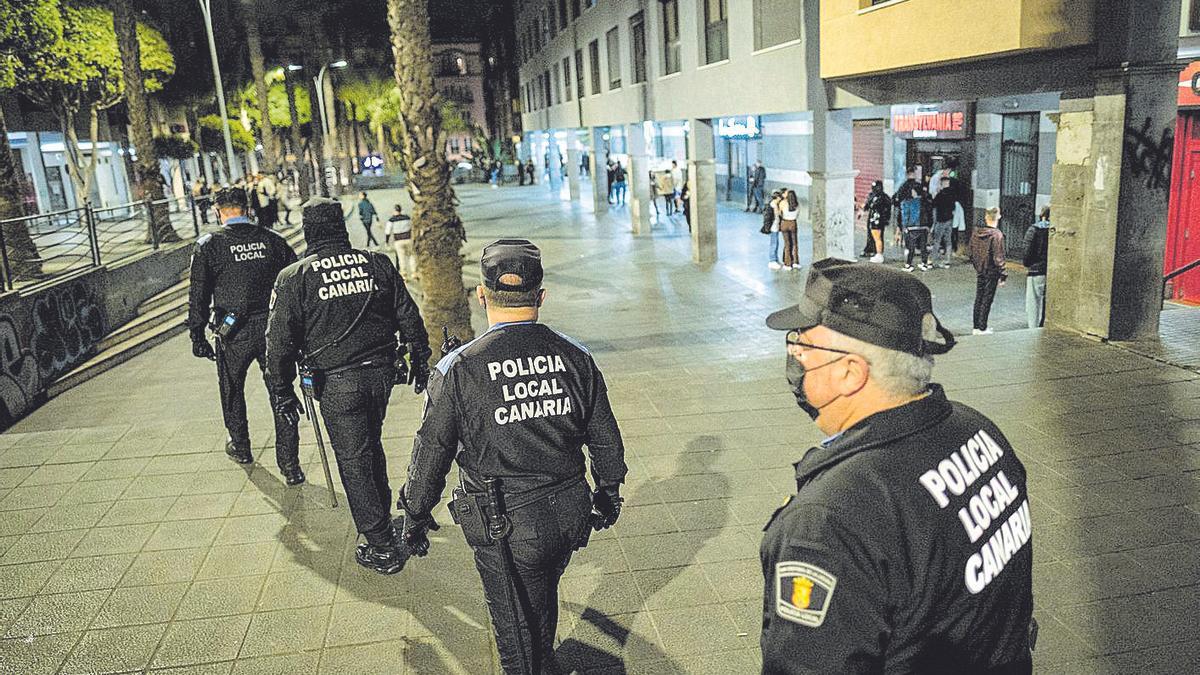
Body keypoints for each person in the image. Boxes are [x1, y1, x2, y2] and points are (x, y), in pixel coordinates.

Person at [761, 258, 1034, 674]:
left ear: (849, 373)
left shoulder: (829, 523)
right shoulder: (978, 430)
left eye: (804, 342)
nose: (794, 352)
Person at [399, 239, 627, 674]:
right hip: (571, 513)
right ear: (541, 296)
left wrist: (414, 514)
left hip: (507, 525)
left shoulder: (459, 368)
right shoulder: (577, 356)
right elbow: (605, 437)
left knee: (515, 638)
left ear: (481, 295)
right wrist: (609, 490)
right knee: (539, 600)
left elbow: (431, 452)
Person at [264, 198, 432, 574]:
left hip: (338, 384)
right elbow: (409, 314)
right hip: (380, 376)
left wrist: (281, 390)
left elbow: (278, 343)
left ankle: (380, 544)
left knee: (354, 459)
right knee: (370, 445)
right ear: (341, 225)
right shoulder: (376, 263)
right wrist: (420, 358)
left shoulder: (295, 277)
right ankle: (382, 519)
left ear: (309, 231)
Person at [186, 186, 302, 482]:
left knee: (232, 390)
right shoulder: (273, 241)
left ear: (217, 210)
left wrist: (196, 336)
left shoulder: (209, 245)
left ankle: (240, 445)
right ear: (247, 208)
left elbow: (198, 295)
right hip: (273, 330)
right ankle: (290, 466)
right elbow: (295, 285)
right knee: (281, 393)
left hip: (232, 331)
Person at [970, 207, 1007, 334]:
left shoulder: (976, 233)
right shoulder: (997, 235)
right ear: (998, 217)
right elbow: (998, 257)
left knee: (979, 297)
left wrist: (978, 265)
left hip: (980, 269)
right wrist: (1003, 274)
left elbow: (971, 252)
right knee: (987, 299)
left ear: (986, 217)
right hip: (992, 271)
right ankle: (982, 327)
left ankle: (976, 327)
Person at [1022, 207, 1050, 328]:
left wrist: (1028, 264)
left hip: (1036, 271)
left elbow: (1027, 251)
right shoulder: (1055, 230)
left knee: (1033, 303)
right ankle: (1043, 326)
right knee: (1047, 303)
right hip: (1049, 271)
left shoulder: (1034, 229)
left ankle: (1033, 329)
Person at [931, 173, 959, 269]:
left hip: (941, 220)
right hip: (949, 220)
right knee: (948, 241)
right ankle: (947, 260)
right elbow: (953, 207)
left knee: (937, 240)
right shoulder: (953, 194)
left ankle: (934, 260)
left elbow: (933, 204)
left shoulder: (940, 194)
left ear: (942, 183)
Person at [862, 181, 890, 264]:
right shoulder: (874, 196)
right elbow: (867, 205)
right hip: (874, 219)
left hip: (877, 220)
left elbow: (887, 209)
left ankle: (878, 253)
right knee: (874, 236)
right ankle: (874, 251)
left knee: (878, 238)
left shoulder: (882, 197)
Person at [385, 203, 415, 280]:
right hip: (408, 239)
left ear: (395, 210)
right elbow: (412, 227)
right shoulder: (407, 217)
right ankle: (414, 272)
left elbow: (387, 232)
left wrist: (387, 242)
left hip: (398, 241)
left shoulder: (391, 220)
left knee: (401, 258)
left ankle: (404, 274)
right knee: (411, 256)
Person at [779, 189, 801, 270]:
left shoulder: (783, 203)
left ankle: (787, 264)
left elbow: (779, 213)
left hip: (784, 223)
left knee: (787, 244)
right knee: (795, 243)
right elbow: (797, 215)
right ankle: (795, 262)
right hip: (793, 223)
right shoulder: (797, 204)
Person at [765, 189, 784, 270]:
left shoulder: (775, 205)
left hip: (775, 227)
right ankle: (772, 260)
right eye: (779, 198)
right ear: (777, 197)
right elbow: (768, 218)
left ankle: (775, 259)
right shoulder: (772, 205)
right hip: (773, 227)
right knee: (774, 244)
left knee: (776, 243)